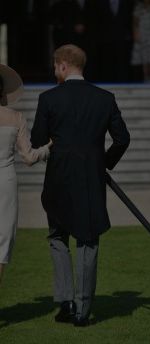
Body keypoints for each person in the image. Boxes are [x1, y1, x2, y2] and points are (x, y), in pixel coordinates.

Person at [30, 44, 130, 326]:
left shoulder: (48, 98)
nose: (54, 71)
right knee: (88, 240)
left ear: (63, 65)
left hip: (59, 177)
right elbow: (122, 139)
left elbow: (38, 140)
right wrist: (104, 162)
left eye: (54, 66)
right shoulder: (104, 98)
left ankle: (66, 301)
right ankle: (82, 311)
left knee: (57, 238)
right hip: (90, 178)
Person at [0, 64, 51, 284]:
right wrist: (49, 148)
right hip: (5, 181)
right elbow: (29, 157)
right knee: (2, 242)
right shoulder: (16, 117)